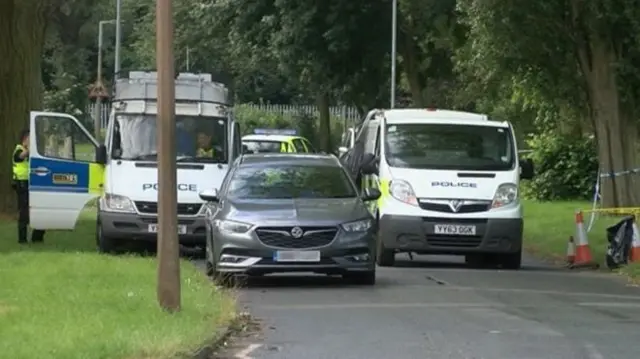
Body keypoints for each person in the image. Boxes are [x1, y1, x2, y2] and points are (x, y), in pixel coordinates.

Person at [12, 129, 45, 244]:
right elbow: (19, 157)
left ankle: (37, 238)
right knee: (24, 212)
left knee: (39, 209)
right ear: (24, 139)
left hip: (31, 182)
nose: (31, 141)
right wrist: (30, 149)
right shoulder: (19, 149)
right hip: (22, 184)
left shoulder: (30, 151)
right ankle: (22, 239)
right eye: (29, 139)